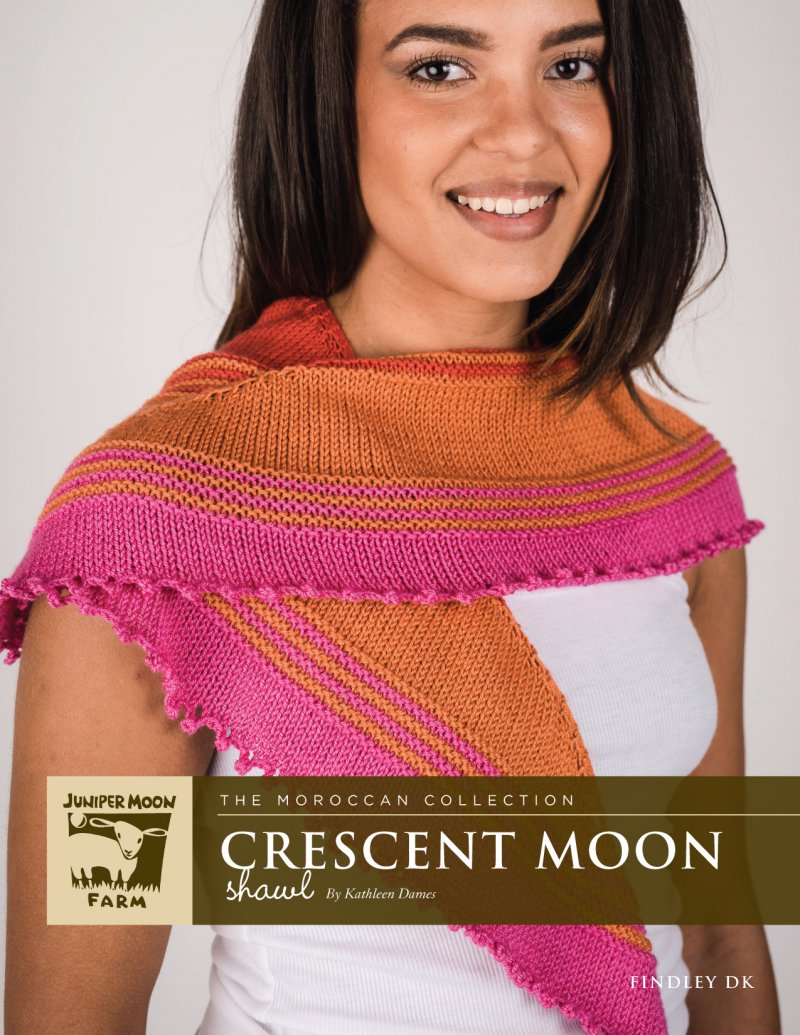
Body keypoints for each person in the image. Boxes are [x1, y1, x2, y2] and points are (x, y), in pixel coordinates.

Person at [2, 1, 782, 1033]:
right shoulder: (157, 529)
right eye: (439, 69)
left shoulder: (668, 484)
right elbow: (76, 1016)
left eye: (573, 66)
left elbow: (717, 925)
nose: (522, 135)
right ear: (329, 100)